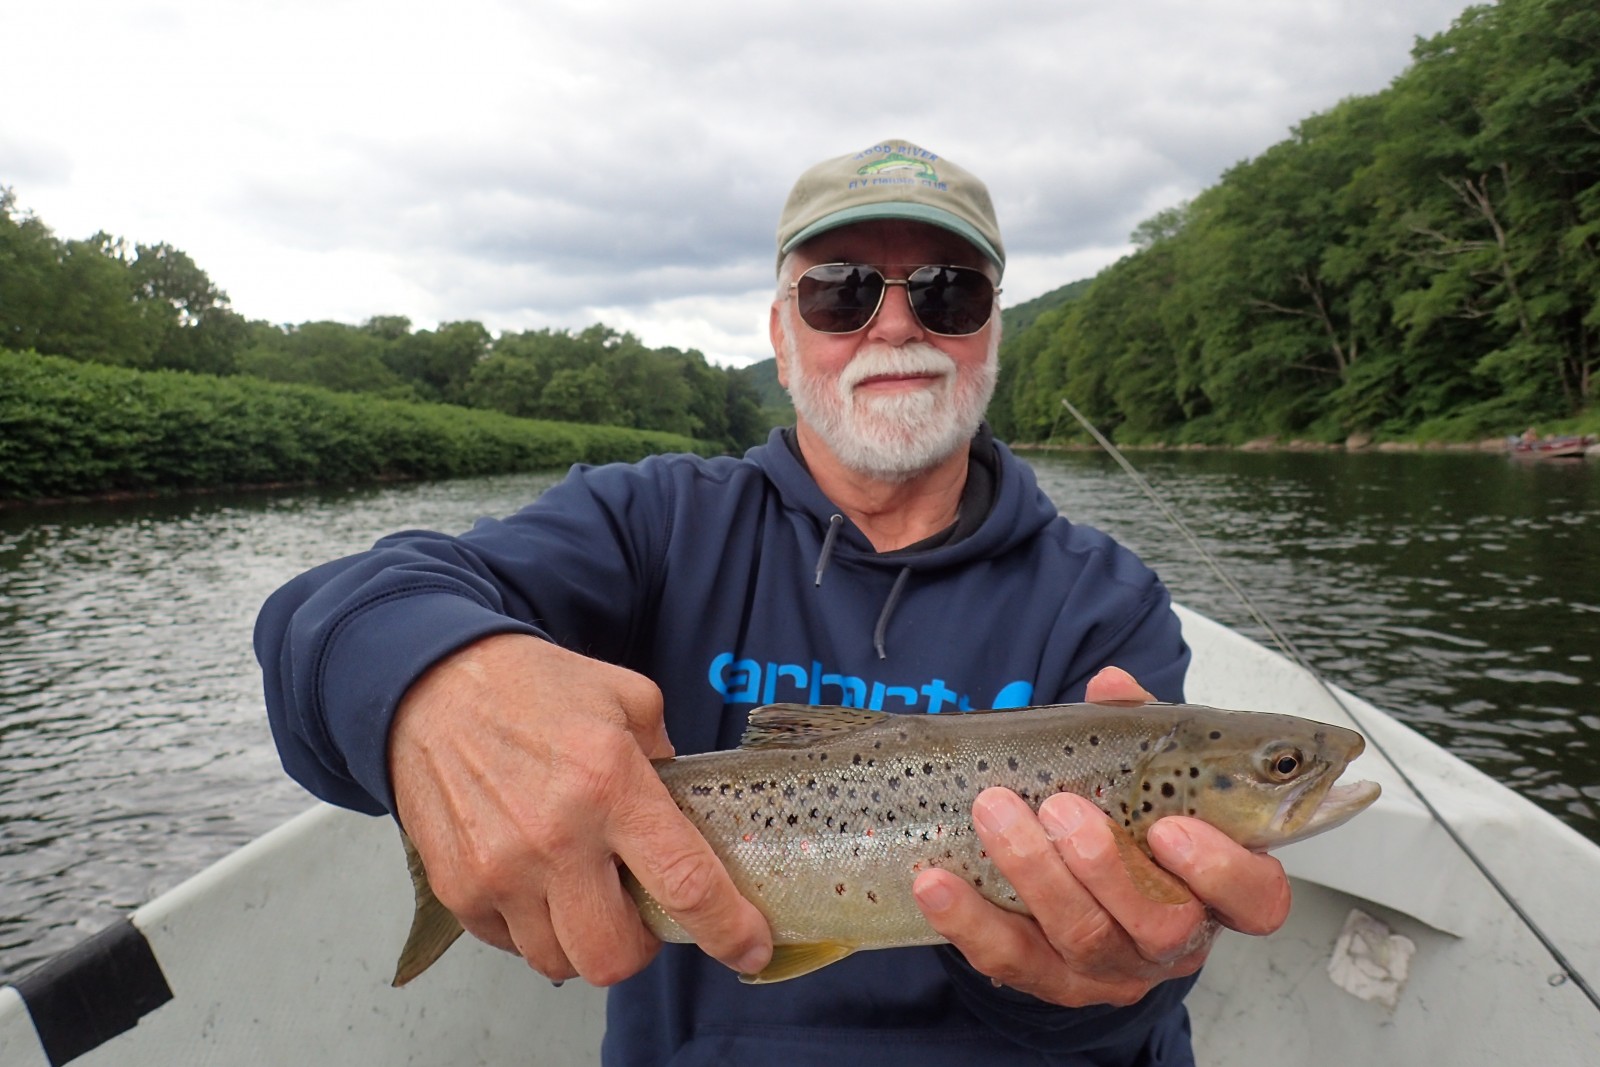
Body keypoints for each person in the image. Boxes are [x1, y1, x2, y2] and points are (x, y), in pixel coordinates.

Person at [256, 138, 1292, 1066]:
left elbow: (1120, 1013)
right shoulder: (652, 520)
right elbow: (329, 612)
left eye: (947, 292)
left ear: (990, 333)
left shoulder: (1105, 597)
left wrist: (1102, 981)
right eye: (840, 291)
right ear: (780, 330)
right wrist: (436, 680)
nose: (895, 323)